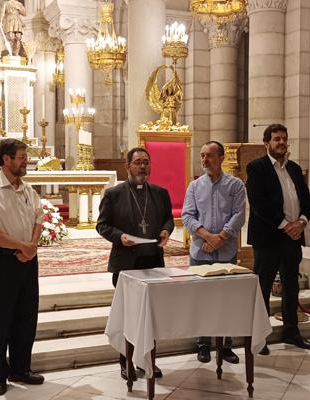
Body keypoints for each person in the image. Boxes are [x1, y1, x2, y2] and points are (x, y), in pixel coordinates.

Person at [0, 138, 45, 396]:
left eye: (26, 156)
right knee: (1, 319)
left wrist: (31, 246)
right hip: (1, 262)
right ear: (6, 160)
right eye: (22, 157)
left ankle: (21, 368)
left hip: (28, 260)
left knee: (27, 317)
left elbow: (38, 218)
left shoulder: (27, 189)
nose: (27, 161)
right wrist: (22, 246)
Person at [96, 147, 175, 381]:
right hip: (126, 264)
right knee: (128, 315)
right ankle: (127, 362)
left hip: (152, 260)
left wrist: (164, 231)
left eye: (146, 162)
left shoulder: (160, 193)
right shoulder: (114, 194)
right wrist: (120, 237)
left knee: (151, 315)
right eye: (138, 162)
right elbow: (102, 225)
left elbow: (168, 219)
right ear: (127, 166)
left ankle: (148, 361)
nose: (143, 167)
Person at [246, 124, 310, 354]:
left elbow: (307, 200)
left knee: (291, 285)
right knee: (263, 287)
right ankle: (261, 336)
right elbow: (259, 205)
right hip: (268, 237)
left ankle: (291, 331)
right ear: (267, 143)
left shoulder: (295, 169)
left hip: (293, 238)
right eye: (277, 139)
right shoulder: (256, 168)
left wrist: (302, 222)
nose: (281, 143)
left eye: (284, 139)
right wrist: (288, 226)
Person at [181, 141, 246, 364]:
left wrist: (221, 238)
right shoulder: (194, 186)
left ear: (221, 158)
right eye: (202, 156)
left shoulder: (235, 185)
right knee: (201, 298)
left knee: (226, 298)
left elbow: (239, 215)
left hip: (226, 251)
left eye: (209, 156)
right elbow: (187, 216)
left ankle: (226, 344)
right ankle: (203, 343)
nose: (205, 160)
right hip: (201, 251)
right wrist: (209, 237)